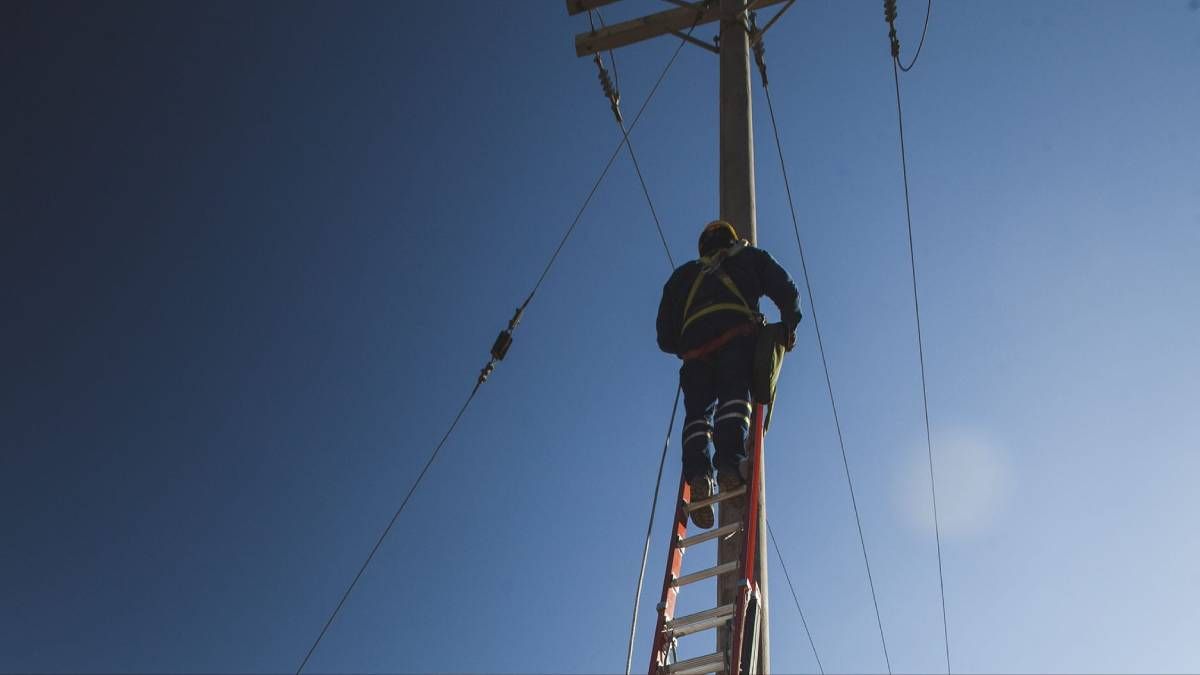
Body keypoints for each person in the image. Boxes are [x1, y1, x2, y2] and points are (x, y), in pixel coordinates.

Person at [656, 220, 802, 528]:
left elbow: (664, 336)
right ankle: (729, 467)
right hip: (735, 337)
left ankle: (698, 475)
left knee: (697, 415)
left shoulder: (683, 276)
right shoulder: (745, 257)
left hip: (695, 352)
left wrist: (689, 342)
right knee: (734, 401)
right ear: (730, 240)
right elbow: (784, 286)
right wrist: (789, 323)